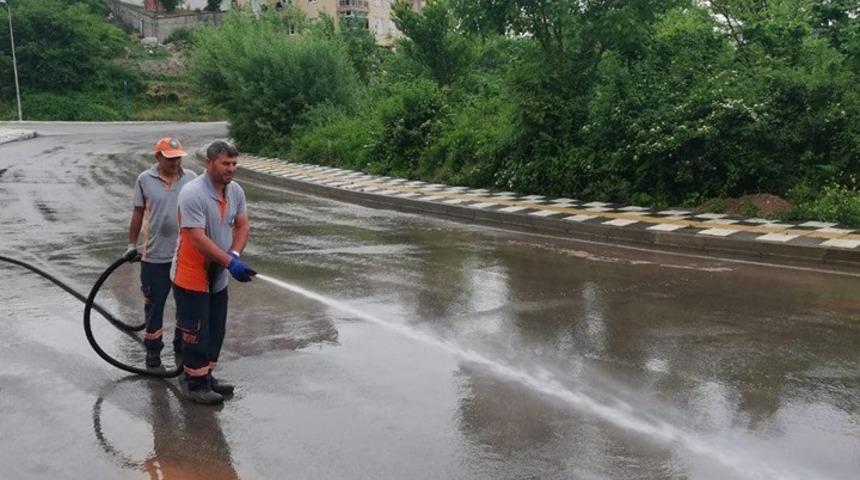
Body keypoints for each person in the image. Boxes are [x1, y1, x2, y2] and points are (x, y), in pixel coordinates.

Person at [171, 141, 255, 405]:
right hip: (191, 274)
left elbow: (242, 226)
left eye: (234, 164)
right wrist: (229, 263)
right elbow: (197, 239)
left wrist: (235, 255)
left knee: (215, 328)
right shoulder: (192, 193)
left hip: (218, 273)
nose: (231, 169)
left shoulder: (236, 191)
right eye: (225, 164)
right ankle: (194, 383)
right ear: (209, 163)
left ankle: (207, 376)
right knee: (196, 329)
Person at [127, 137, 197, 369]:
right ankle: (153, 353)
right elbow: (138, 213)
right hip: (155, 256)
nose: (175, 162)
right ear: (157, 157)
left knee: (186, 304)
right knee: (155, 305)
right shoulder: (145, 180)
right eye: (170, 158)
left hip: (185, 256)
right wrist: (131, 244)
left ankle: (182, 346)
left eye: (178, 158)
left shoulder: (191, 179)